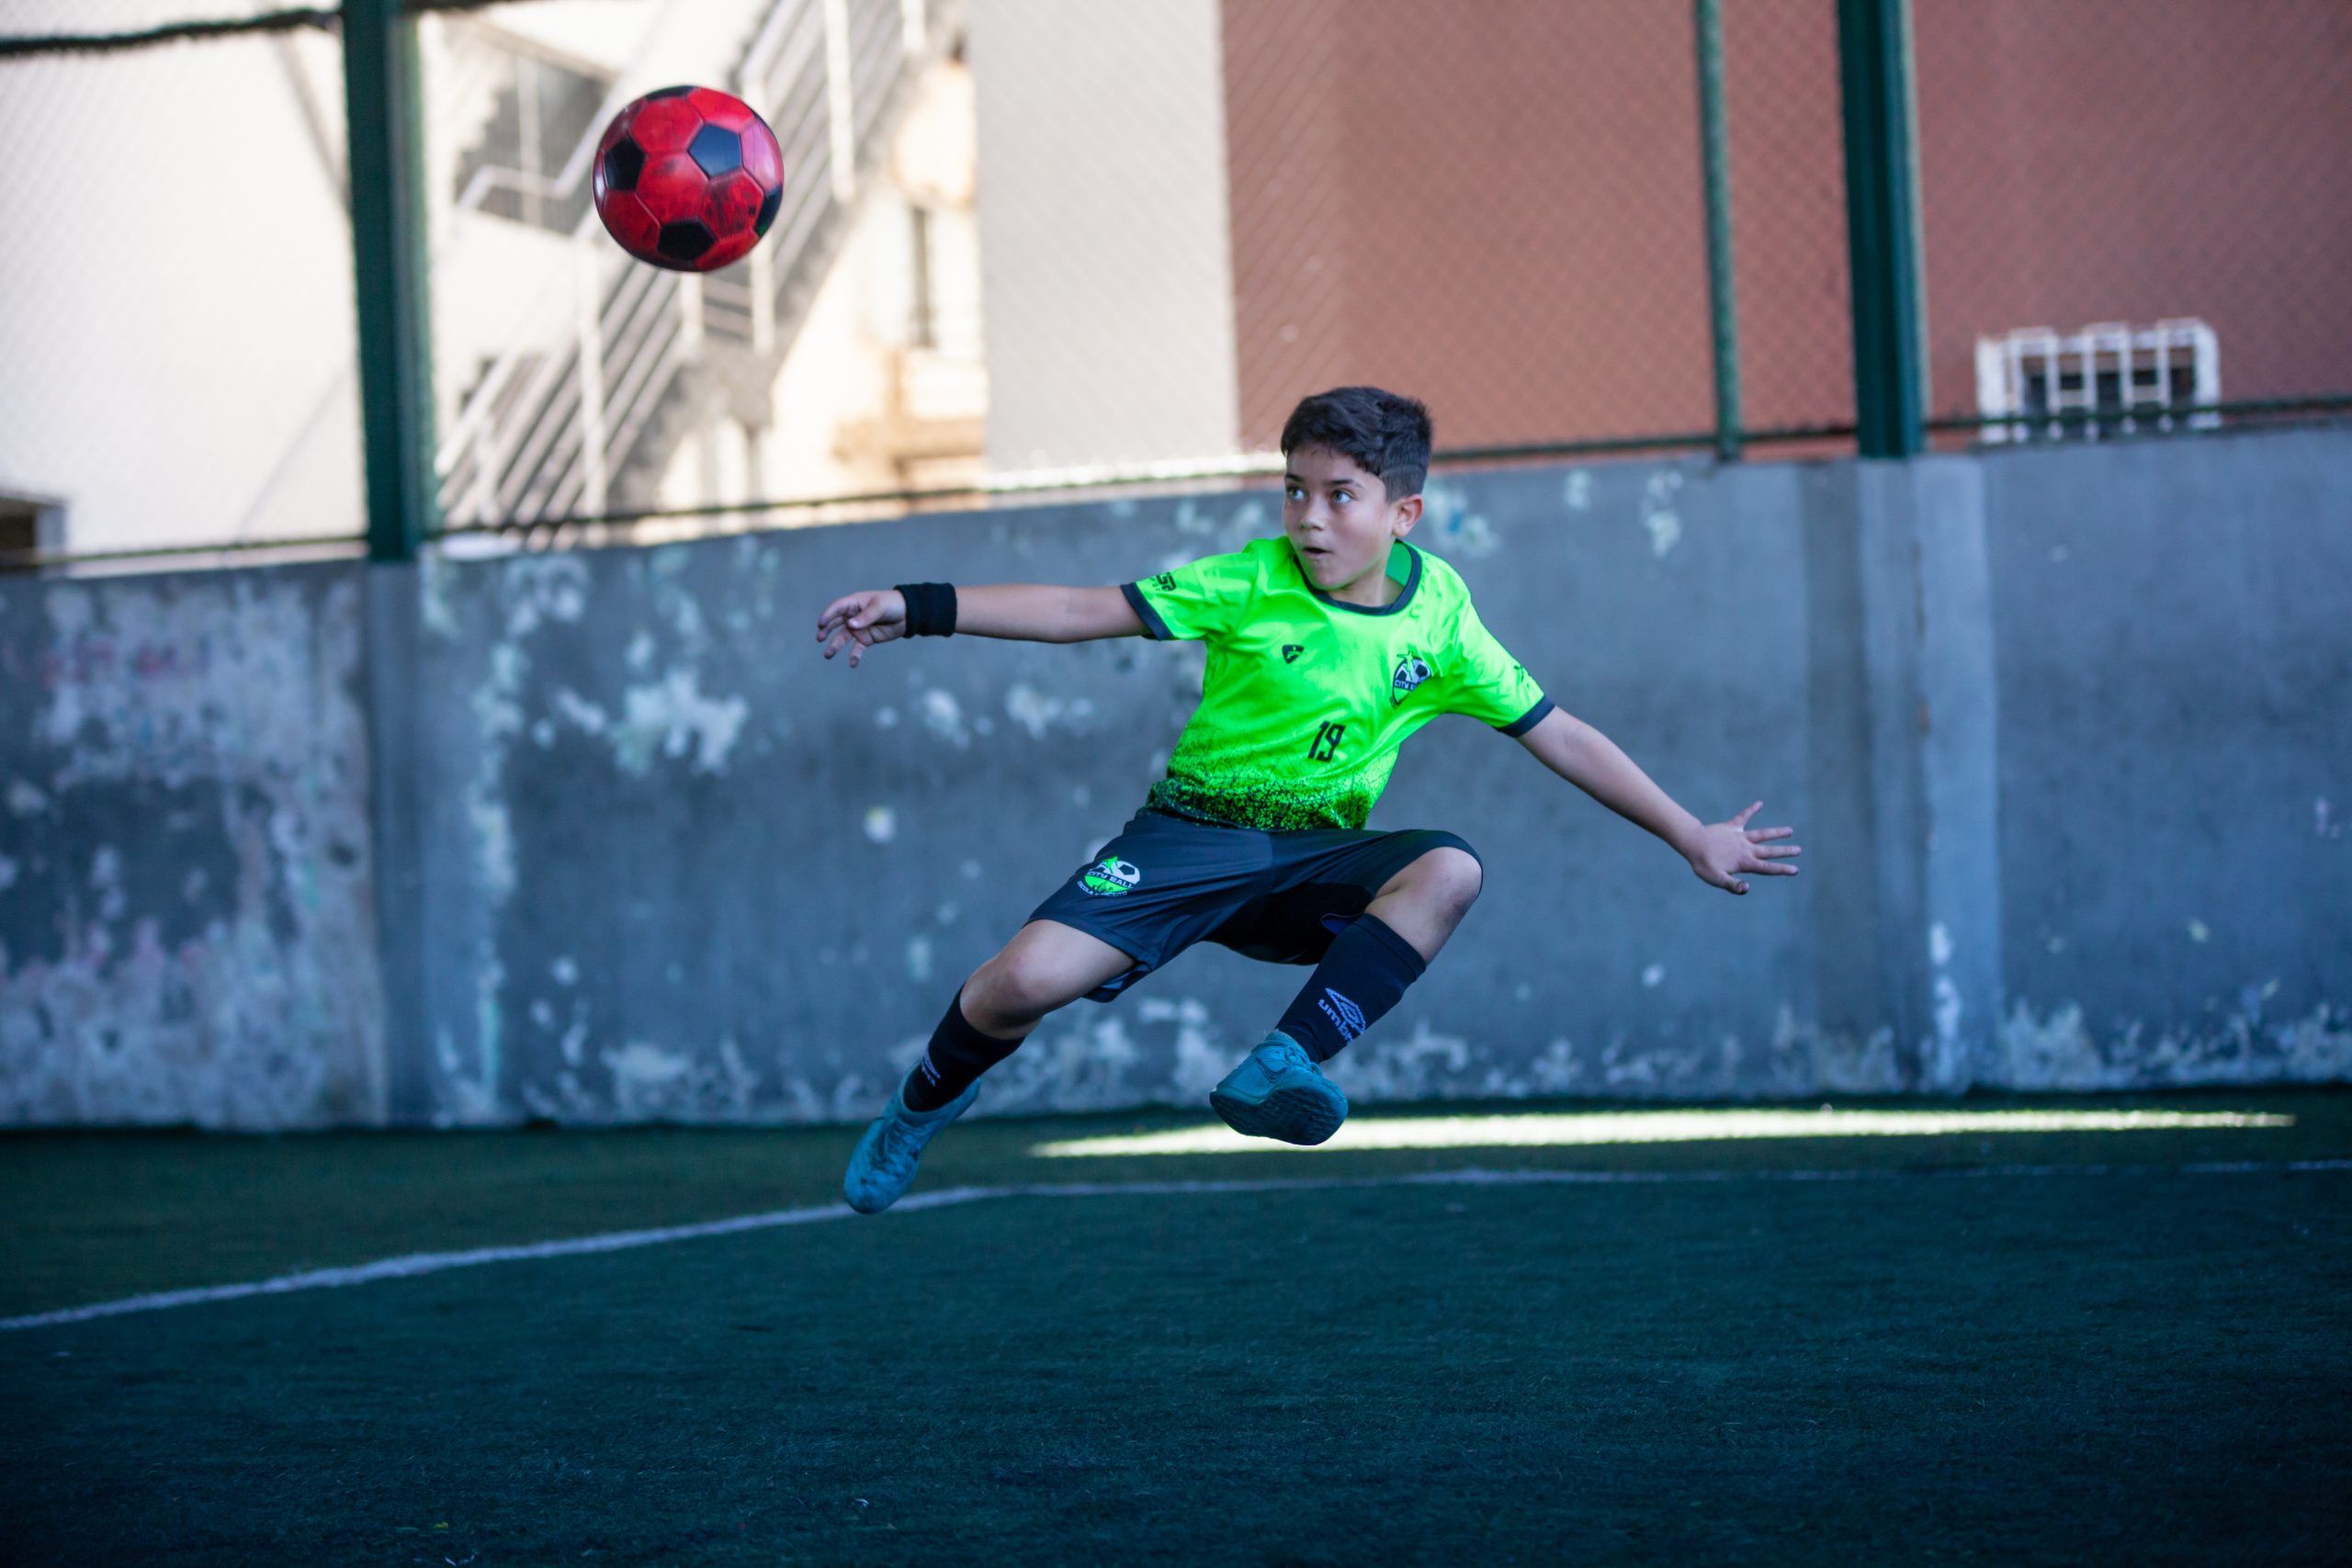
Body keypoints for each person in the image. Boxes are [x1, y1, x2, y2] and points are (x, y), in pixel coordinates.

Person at [816, 387, 1799, 1213]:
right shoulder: (1251, 579)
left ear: (1403, 514)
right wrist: (918, 607)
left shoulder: (1441, 617)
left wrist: (1689, 833)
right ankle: (919, 1107)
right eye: (1295, 490)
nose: (1309, 518)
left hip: (1310, 864)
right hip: (1187, 840)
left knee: (1449, 868)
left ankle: (1285, 1059)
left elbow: (1559, 731)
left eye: (1339, 496)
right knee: (1020, 983)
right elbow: (1082, 609)